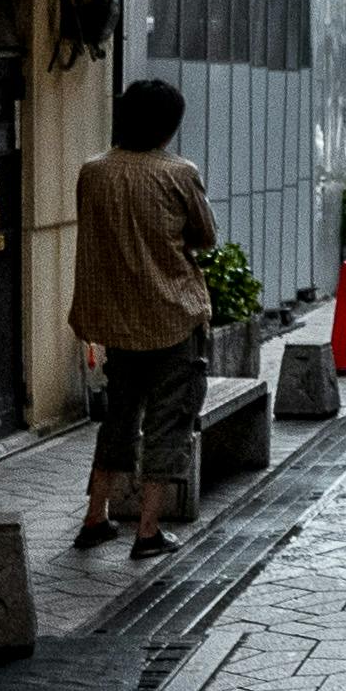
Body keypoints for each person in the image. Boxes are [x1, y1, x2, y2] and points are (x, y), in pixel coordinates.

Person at [70, 76, 213, 565]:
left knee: (119, 416)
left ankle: (94, 517)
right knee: (169, 421)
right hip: (173, 316)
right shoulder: (179, 173)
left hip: (117, 318)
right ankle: (147, 531)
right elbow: (205, 235)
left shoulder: (93, 172)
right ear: (169, 127)